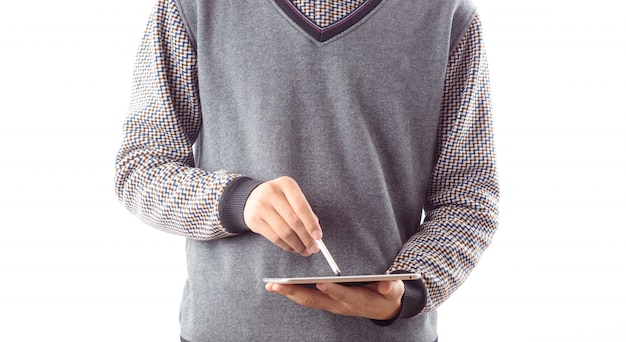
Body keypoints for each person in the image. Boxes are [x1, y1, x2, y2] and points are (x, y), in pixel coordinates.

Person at [114, 0, 499, 340]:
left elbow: (468, 197)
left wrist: (409, 290)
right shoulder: (193, 7)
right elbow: (140, 166)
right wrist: (237, 201)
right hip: (226, 331)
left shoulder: (447, 15)